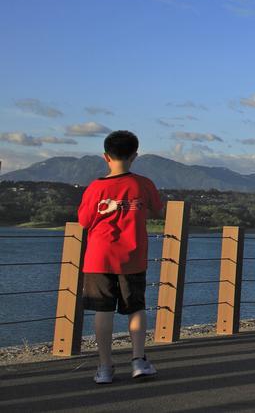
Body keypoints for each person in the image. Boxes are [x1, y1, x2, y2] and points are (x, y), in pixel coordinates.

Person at [77, 130, 164, 384]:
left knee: (103, 311)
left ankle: (105, 367)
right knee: (135, 307)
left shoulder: (95, 188)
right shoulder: (143, 184)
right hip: (133, 257)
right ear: (135, 156)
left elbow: (84, 221)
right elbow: (158, 211)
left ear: (106, 157)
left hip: (98, 258)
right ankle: (138, 361)